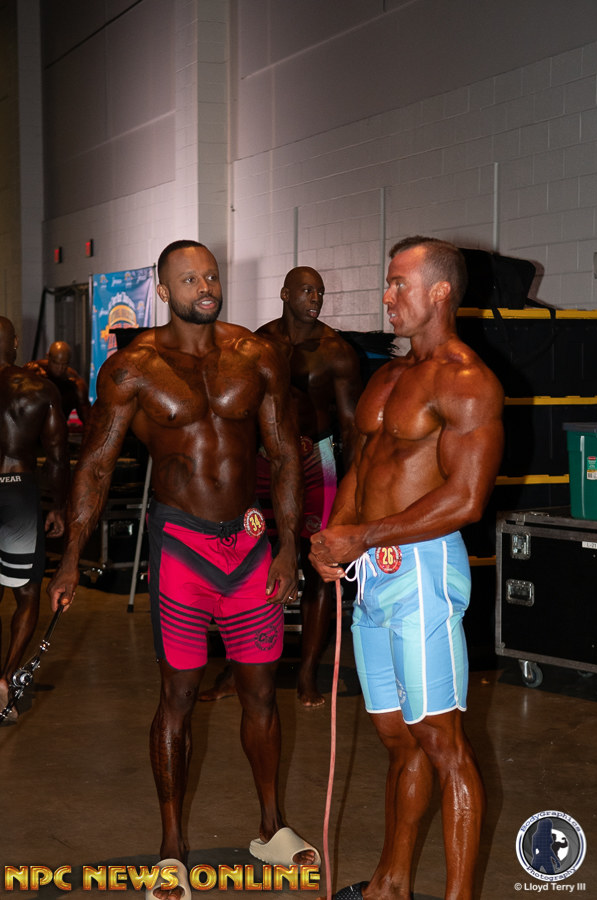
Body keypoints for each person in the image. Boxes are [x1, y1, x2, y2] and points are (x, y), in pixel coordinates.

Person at [47, 241, 320, 899]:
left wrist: (288, 546)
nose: (206, 286)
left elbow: (285, 453)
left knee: (262, 694)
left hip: (248, 549)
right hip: (181, 550)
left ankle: (272, 828)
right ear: (165, 292)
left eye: (211, 275)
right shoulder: (133, 368)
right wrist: (70, 561)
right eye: (190, 278)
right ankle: (171, 850)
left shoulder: (258, 355)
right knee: (177, 697)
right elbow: (95, 466)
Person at [309, 236, 505, 900]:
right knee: (398, 737)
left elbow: (467, 498)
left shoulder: (466, 380)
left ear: (440, 291)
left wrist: (364, 534)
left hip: (421, 569)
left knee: (442, 740)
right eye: (387, 283)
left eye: (400, 284)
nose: (387, 296)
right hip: (370, 574)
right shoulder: (387, 376)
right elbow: (363, 465)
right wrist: (334, 535)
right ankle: (390, 884)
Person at [200, 265, 362, 707]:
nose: (316, 299)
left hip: (316, 461)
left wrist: (355, 487)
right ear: (285, 293)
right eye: (307, 291)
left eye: (320, 292)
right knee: (248, 563)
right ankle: (236, 670)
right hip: (264, 459)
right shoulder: (258, 343)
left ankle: (308, 672)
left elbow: (352, 425)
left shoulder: (337, 352)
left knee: (319, 564)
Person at [0, 317, 69, 721]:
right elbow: (57, 457)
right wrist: (58, 506)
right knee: (26, 593)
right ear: (15, 344)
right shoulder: (39, 389)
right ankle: (6, 676)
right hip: (18, 490)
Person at [26, 340, 91, 426]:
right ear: (48, 357)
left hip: (59, 428)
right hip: (32, 427)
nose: (60, 368)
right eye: (56, 363)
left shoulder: (76, 384)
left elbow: (89, 422)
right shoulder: (33, 372)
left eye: (64, 364)